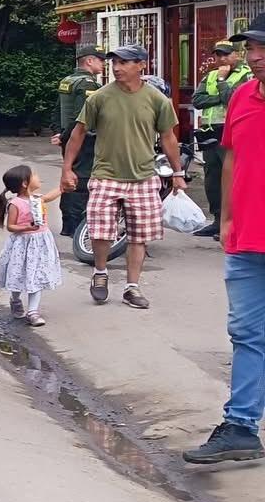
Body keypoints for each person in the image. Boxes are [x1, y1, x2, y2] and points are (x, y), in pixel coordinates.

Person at [59, 45, 186, 309]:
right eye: (114, 62)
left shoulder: (156, 100)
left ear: (141, 65)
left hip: (143, 176)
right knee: (100, 231)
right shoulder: (99, 97)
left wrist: (178, 173)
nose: (116, 67)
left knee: (139, 236)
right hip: (106, 175)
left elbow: (168, 137)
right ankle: (100, 273)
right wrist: (67, 168)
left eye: (124, 62)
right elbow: (78, 133)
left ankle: (132, 287)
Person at [189, 27, 265, 463]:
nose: (253, 56)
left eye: (261, 48)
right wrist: (228, 218)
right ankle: (241, 427)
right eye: (251, 48)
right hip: (247, 241)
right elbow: (233, 155)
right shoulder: (241, 96)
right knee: (247, 335)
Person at [191, 40, 250, 237]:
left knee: (232, 178)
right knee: (212, 178)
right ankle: (217, 220)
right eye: (218, 55)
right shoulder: (211, 75)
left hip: (232, 131)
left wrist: (222, 83)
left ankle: (234, 222)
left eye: (226, 54)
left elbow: (233, 99)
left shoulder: (246, 74)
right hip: (210, 133)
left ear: (236, 55)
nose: (222, 59)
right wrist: (218, 92)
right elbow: (197, 100)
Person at [0, 165, 63, 327]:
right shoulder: (15, 204)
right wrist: (26, 228)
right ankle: (15, 299)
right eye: (35, 175)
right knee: (18, 274)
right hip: (22, 244)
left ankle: (33, 311)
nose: (38, 177)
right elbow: (11, 226)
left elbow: (49, 197)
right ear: (25, 183)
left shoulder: (37, 199)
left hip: (40, 243)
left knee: (36, 274)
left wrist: (62, 188)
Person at [54, 51, 103, 238]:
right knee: (80, 180)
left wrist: (59, 132)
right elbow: (81, 117)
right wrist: (69, 135)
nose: (104, 65)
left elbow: (58, 108)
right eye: (101, 60)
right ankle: (75, 224)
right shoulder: (87, 84)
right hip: (82, 138)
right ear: (89, 61)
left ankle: (68, 222)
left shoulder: (68, 80)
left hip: (68, 136)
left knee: (70, 176)